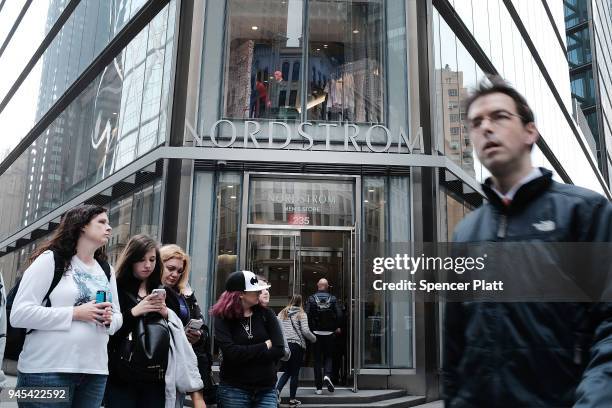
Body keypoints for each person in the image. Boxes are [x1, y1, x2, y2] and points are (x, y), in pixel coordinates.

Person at [443, 76, 612, 407]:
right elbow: (454, 347)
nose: (486, 128)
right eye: (476, 123)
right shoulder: (465, 234)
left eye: (499, 117)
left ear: (529, 132)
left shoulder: (585, 212)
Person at [11, 204, 121, 407]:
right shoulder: (51, 260)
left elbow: (117, 316)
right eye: (102, 222)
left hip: (94, 373)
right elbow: (19, 314)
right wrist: (75, 313)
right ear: (82, 226)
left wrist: (109, 320)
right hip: (46, 373)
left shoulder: (106, 270)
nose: (109, 227)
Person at [106, 235, 204, 408]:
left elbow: (178, 336)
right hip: (122, 376)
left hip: (157, 376)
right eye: (141, 259)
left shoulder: (165, 293)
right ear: (131, 259)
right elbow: (109, 331)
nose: (148, 265)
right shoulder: (117, 288)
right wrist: (135, 312)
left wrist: (167, 314)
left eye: (152, 259)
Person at [212, 270, 285, 407]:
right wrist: (264, 346)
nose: (260, 293)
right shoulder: (223, 317)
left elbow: (279, 349)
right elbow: (231, 353)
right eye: (255, 290)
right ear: (240, 294)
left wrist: (244, 355)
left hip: (266, 390)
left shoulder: (266, 314)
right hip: (234, 390)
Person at [160, 244, 215, 405]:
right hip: (163, 359)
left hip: (188, 355)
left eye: (179, 271)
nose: (175, 274)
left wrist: (198, 337)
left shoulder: (184, 293)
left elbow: (202, 325)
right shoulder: (152, 290)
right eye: (170, 268)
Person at [276, 295, 316, 407]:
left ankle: (277, 392)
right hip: (296, 345)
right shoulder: (301, 314)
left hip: (285, 346)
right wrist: (314, 339)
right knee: (294, 373)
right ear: (300, 302)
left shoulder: (281, 313)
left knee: (287, 371)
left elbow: (277, 328)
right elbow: (306, 331)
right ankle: (292, 399)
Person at [305, 278, 342, 394]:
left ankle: (319, 388)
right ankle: (327, 375)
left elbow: (306, 315)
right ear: (327, 286)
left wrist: (310, 330)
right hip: (329, 334)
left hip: (315, 334)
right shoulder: (333, 298)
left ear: (318, 285)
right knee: (329, 357)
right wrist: (336, 327)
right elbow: (340, 315)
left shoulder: (311, 298)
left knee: (317, 360)